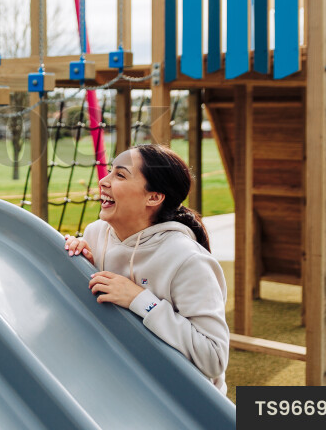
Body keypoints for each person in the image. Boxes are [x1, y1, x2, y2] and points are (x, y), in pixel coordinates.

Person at [64, 144, 229, 392]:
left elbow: (214, 358)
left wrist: (140, 299)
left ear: (153, 197)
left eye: (120, 175)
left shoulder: (187, 259)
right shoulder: (96, 233)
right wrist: (80, 268)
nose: (104, 181)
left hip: (178, 395)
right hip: (120, 379)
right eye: (110, 171)